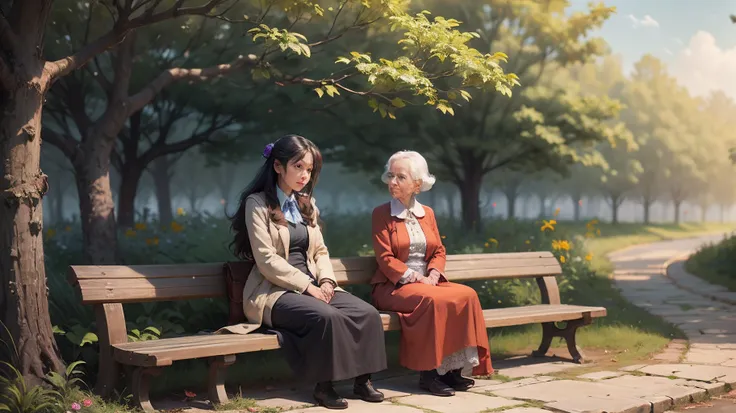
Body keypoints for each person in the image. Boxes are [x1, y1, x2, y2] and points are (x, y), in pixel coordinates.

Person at [229, 135, 387, 409]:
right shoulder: (258, 204)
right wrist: (307, 286)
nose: (305, 175)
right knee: (326, 316)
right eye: (298, 167)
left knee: (367, 313)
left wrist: (326, 280)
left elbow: (320, 252)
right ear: (278, 166)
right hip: (274, 291)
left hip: (314, 285)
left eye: (310, 169)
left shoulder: (307, 204)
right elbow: (265, 259)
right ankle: (325, 388)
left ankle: (363, 381)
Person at [370, 150, 493, 397]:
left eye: (400, 177)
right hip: (393, 286)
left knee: (467, 295)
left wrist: (434, 274)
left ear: (417, 184)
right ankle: (429, 375)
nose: (392, 182)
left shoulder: (427, 213)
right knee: (433, 300)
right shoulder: (382, 214)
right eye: (391, 176)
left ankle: (452, 370)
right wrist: (416, 278)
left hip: (428, 282)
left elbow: (438, 250)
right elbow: (385, 259)